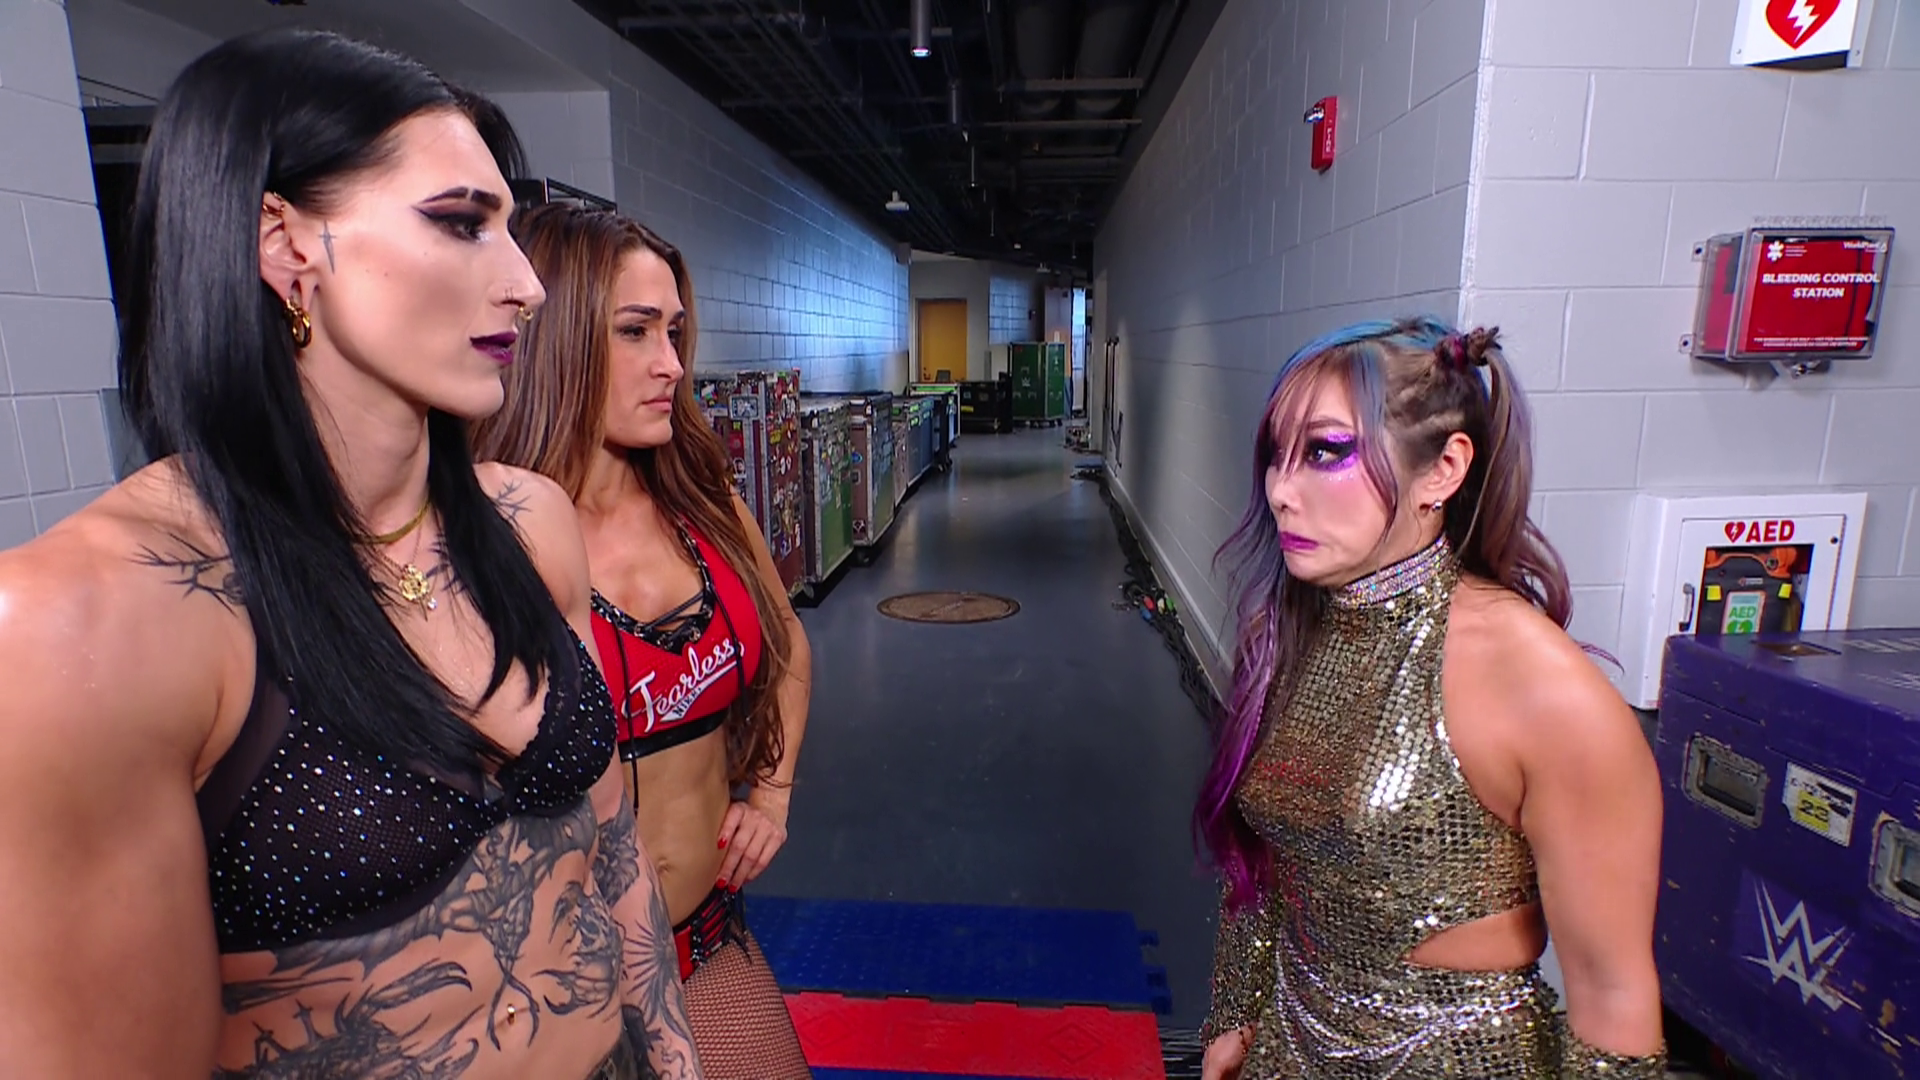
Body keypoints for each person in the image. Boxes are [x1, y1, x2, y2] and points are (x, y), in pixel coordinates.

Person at [0, 29, 701, 1079]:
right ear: (285, 241)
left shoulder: (528, 521)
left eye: (510, 229)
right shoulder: (94, 619)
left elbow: (613, 856)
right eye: (461, 223)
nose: (526, 284)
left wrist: (677, 1062)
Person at [1193, 318, 1666, 1079]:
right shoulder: (1293, 629)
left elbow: (1615, 1001)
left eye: (1324, 452)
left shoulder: (1543, 688)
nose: (1280, 491)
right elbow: (1268, 861)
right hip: (1290, 1043)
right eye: (1276, 456)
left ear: (1444, 470)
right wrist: (1235, 1012)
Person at [472, 204, 814, 1078]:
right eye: (635, 332)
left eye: (674, 331)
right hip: (553, 992)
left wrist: (772, 795)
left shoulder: (704, 506)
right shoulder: (486, 541)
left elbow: (787, 646)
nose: (671, 364)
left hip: (704, 945)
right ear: (557, 341)